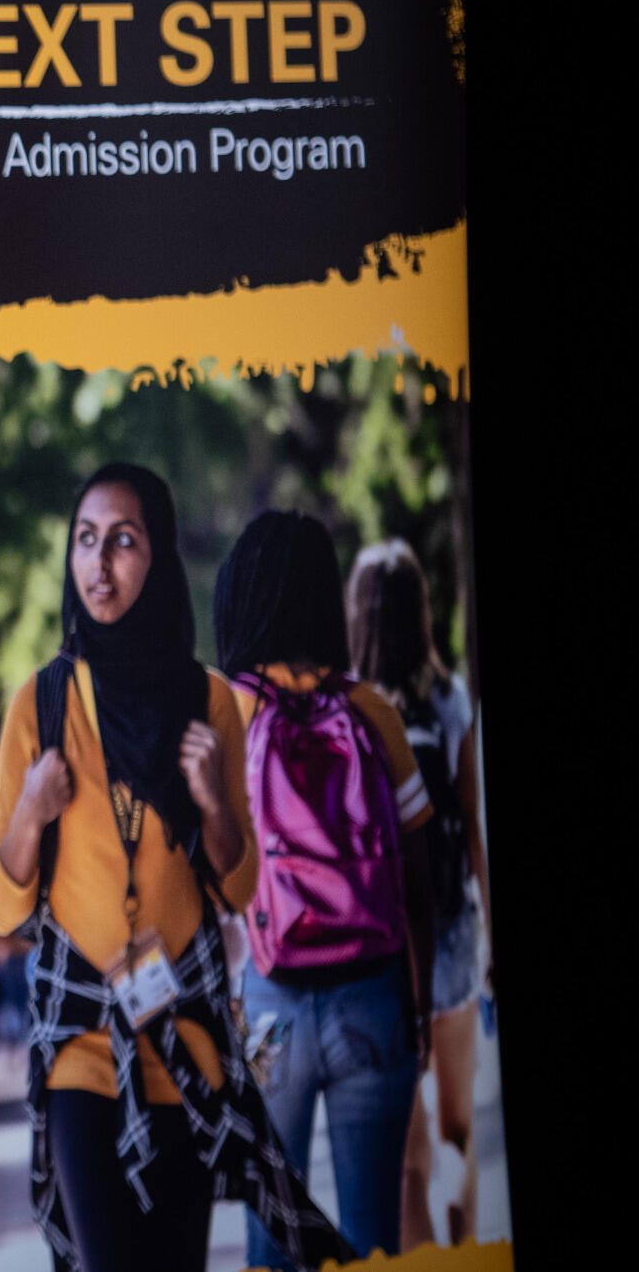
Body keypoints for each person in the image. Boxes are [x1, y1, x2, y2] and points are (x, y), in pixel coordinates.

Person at [0, 464, 349, 1272]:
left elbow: (240, 884)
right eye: (85, 541)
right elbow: (3, 908)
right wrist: (30, 815)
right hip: (81, 1042)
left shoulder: (208, 699)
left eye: (124, 541)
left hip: (186, 1043)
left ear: (159, 559)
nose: (99, 563)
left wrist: (213, 801)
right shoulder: (38, 706)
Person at [218, 512, 438, 1271]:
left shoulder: (229, 709)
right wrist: (419, 1006)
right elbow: (420, 878)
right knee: (375, 1242)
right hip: (374, 1004)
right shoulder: (372, 710)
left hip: (267, 1012)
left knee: (271, 1241)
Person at [346, 539, 489, 1250]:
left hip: (384, 943)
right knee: (457, 1129)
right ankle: (465, 1254)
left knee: (407, 1161)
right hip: (455, 930)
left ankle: (428, 1264)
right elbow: (473, 835)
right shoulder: (452, 698)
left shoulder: (352, 707)